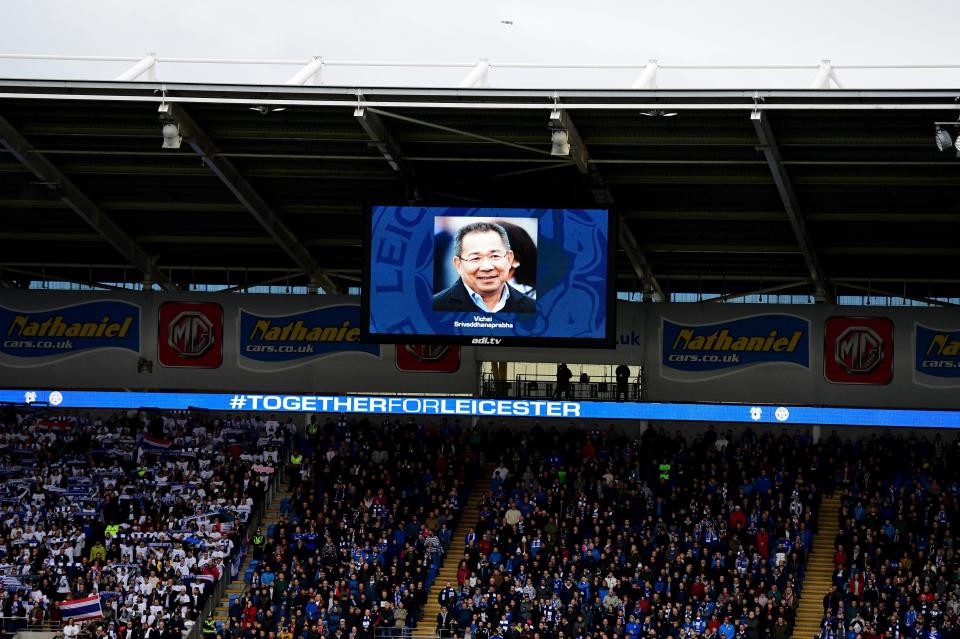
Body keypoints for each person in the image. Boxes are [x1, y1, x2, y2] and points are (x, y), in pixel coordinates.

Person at [433, 221, 536, 314]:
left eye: (495, 256)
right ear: (458, 264)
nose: (486, 267)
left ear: (510, 259)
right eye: (475, 258)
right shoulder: (436, 306)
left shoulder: (534, 307)